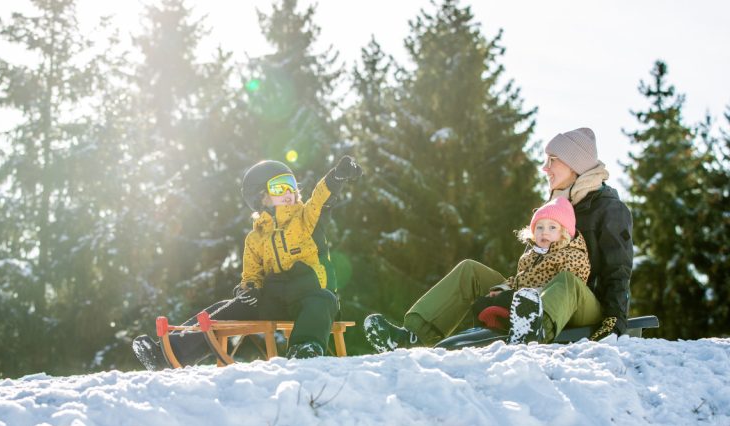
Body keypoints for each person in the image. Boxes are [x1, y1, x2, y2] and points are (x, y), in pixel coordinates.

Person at [364, 127, 633, 351]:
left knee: (567, 281)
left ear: (575, 164)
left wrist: (614, 321)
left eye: (553, 160)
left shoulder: (609, 209)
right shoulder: (556, 206)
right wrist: (507, 288)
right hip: (537, 295)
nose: (545, 168)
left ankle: (534, 330)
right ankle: (413, 337)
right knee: (470, 271)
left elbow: (618, 269)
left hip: (584, 304)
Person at [133, 156, 362, 370]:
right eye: (278, 187)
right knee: (226, 308)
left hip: (310, 294)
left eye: (291, 184)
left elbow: (320, 198)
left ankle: (305, 348)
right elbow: (252, 275)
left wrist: (337, 176)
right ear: (261, 197)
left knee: (324, 300)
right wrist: (249, 289)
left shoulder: (306, 218)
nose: (289, 191)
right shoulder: (256, 238)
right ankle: (168, 353)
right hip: (276, 298)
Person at [469, 196, 590, 343]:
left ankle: (535, 332)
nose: (544, 232)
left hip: (561, 307)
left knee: (514, 298)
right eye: (540, 227)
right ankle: (489, 333)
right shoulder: (530, 257)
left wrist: (527, 295)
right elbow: (518, 280)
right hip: (524, 300)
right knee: (485, 301)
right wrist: (503, 288)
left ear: (564, 233)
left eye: (552, 227)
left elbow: (565, 290)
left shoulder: (572, 255)